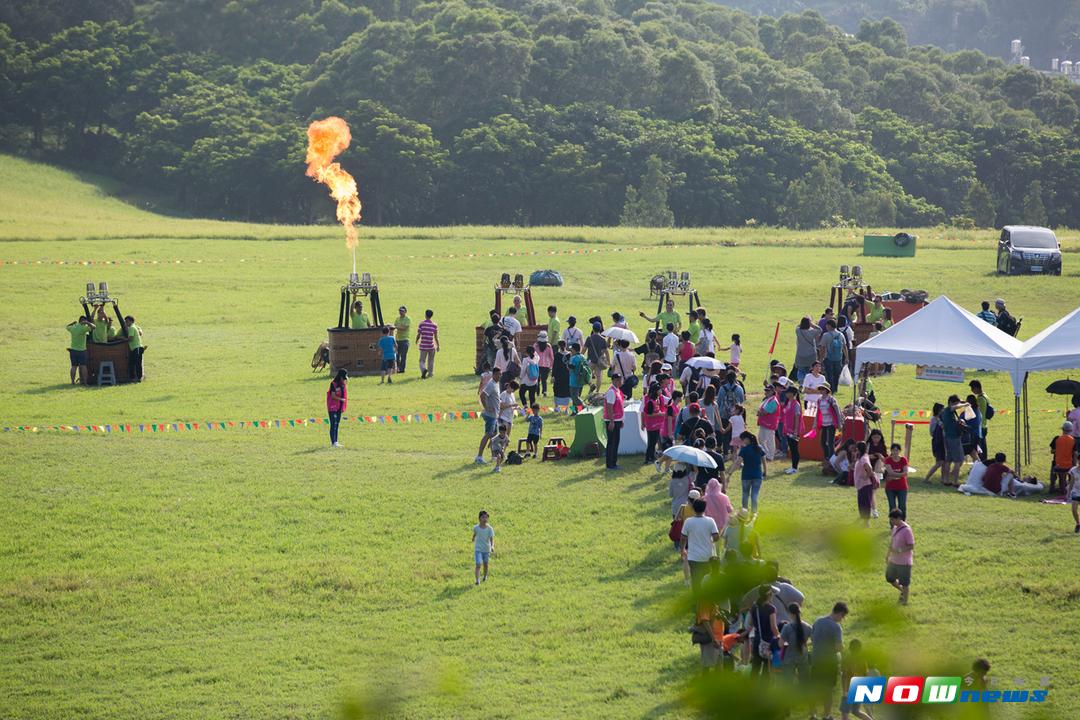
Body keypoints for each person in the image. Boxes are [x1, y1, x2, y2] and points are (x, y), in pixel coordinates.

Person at [811, 602, 849, 720]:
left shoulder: (817, 621)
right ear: (840, 613)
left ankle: (813, 715)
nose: (842, 620)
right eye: (843, 617)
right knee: (828, 690)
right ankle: (827, 715)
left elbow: (812, 639)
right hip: (829, 663)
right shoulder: (836, 627)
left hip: (816, 660)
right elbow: (838, 647)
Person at [681, 498, 720, 596]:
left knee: (696, 580)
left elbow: (683, 537)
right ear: (704, 509)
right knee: (707, 579)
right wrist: (711, 540)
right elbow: (716, 537)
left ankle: (698, 601)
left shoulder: (688, 522)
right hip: (708, 556)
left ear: (693, 508)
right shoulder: (710, 521)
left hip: (693, 557)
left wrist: (682, 549)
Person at [729, 431, 767, 515]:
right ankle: (754, 512)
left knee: (745, 494)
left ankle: (744, 512)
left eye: (742, 440)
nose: (742, 442)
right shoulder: (759, 448)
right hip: (757, 475)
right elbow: (764, 461)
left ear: (747, 439)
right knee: (754, 495)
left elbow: (737, 463)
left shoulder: (744, 449)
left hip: (746, 475)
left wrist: (730, 473)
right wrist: (765, 471)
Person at [749, 585, 781, 676]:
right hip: (768, 641)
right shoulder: (771, 608)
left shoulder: (754, 606)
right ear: (770, 594)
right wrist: (779, 637)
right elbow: (773, 627)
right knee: (767, 668)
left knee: (755, 666)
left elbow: (750, 623)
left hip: (757, 639)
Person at [839, 639, 873, 720]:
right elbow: (865, 674)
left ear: (850, 648)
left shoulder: (847, 659)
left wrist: (845, 691)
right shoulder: (863, 660)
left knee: (845, 713)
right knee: (856, 711)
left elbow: (844, 675)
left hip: (849, 688)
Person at [886, 509, 914, 605]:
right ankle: (902, 590)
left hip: (904, 562)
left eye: (893, 520)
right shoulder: (894, 528)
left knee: (905, 583)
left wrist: (900, 550)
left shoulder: (907, 530)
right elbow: (892, 543)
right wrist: (887, 555)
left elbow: (911, 546)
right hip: (893, 560)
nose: (891, 522)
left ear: (898, 518)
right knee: (889, 578)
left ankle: (905, 602)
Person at [780, 601, 812, 686]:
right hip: (803, 655)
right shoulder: (808, 627)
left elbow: (780, 644)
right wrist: (805, 643)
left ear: (790, 613)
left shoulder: (787, 627)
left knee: (788, 682)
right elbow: (814, 640)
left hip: (789, 657)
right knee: (804, 682)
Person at [475, 367, 502, 464]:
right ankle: (479, 456)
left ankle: (494, 456)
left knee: (494, 436)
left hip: (494, 415)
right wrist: (486, 407)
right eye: (498, 374)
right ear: (494, 374)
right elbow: (482, 395)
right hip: (490, 415)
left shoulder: (496, 384)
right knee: (488, 435)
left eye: (500, 374)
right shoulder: (491, 384)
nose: (500, 376)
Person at [940, 395, 968, 487]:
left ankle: (946, 480)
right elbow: (954, 406)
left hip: (948, 437)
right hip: (954, 438)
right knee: (958, 460)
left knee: (949, 460)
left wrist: (962, 402)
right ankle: (955, 482)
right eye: (956, 403)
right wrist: (964, 404)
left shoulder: (945, 411)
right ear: (951, 403)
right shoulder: (949, 410)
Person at [815, 384, 843, 474]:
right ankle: (827, 457)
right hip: (823, 423)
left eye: (823, 389)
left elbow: (837, 411)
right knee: (823, 442)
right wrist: (815, 423)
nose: (822, 391)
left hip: (831, 423)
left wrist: (839, 423)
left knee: (830, 442)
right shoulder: (819, 400)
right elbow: (818, 412)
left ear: (827, 390)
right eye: (820, 389)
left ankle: (832, 459)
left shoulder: (831, 399)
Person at [818, 319, 848, 392]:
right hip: (838, 358)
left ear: (829, 326)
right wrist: (847, 357)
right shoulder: (841, 334)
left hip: (829, 358)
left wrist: (821, 358)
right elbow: (844, 347)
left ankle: (831, 389)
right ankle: (836, 388)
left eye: (827, 325)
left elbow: (822, 347)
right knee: (837, 374)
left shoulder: (826, 335)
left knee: (829, 374)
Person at [642, 383, 668, 465]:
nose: (661, 391)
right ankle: (647, 459)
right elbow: (648, 414)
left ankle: (652, 457)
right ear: (655, 391)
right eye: (659, 389)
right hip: (651, 426)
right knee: (651, 443)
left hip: (657, 425)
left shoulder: (658, 399)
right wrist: (659, 414)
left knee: (654, 443)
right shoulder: (650, 402)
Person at [1050, 421, 1078, 495]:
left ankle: (1056, 488)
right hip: (1069, 465)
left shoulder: (1057, 439)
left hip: (1058, 465)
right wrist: (1074, 466)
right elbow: (1074, 454)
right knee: (1070, 474)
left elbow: (1052, 451)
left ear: (1062, 429)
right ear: (1071, 430)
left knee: (1060, 475)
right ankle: (1069, 490)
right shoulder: (1073, 440)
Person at [604, 372, 625, 470]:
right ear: (613, 380)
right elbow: (609, 407)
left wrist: (621, 420)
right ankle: (610, 464)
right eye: (617, 380)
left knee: (616, 442)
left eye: (620, 380)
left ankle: (614, 462)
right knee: (612, 442)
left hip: (617, 419)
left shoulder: (618, 390)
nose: (620, 382)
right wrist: (612, 421)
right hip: (612, 420)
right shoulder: (611, 391)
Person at [882, 443, 909, 518]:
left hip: (902, 487)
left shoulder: (903, 459)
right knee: (892, 507)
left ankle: (902, 525)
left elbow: (905, 472)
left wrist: (894, 475)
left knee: (902, 507)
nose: (895, 452)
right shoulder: (888, 460)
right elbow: (890, 472)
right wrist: (901, 474)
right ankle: (893, 525)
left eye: (897, 450)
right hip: (890, 488)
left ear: (899, 451)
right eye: (893, 450)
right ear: (891, 451)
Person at [66, 315, 94, 385]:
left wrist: (72, 323)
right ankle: (85, 382)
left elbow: (67, 327)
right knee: (83, 367)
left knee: (73, 367)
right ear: (83, 321)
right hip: (82, 351)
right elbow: (94, 327)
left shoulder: (73, 328)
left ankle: (72, 382)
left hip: (73, 350)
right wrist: (88, 323)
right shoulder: (83, 328)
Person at [411, 308, 439, 379]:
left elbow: (419, 334)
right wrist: (438, 345)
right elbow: (435, 337)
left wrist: (416, 340)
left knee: (421, 360)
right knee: (431, 360)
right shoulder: (434, 325)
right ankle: (430, 373)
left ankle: (423, 369)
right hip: (431, 346)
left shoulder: (422, 324)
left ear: (425, 315)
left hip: (423, 346)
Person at [853, 441, 876, 528]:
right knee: (862, 503)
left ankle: (866, 523)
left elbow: (869, 469)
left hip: (865, 485)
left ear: (858, 449)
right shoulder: (862, 457)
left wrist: (866, 477)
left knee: (865, 503)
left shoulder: (863, 458)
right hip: (861, 485)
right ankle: (864, 520)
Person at [780, 387, 802, 474]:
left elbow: (797, 418)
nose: (785, 394)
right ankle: (793, 466)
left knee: (794, 449)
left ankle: (795, 468)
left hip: (793, 430)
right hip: (788, 429)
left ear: (792, 393)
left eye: (787, 392)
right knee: (791, 448)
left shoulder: (796, 404)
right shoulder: (789, 402)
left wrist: (796, 431)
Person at [756, 385, 780, 461]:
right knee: (761, 439)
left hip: (769, 424)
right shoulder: (768, 399)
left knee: (770, 440)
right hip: (764, 423)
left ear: (772, 391)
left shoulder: (773, 401)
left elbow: (765, 412)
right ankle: (765, 454)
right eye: (765, 390)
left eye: (768, 390)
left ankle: (770, 456)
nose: (766, 392)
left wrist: (760, 413)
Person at [969, 379, 991, 461]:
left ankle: (981, 465)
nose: (972, 390)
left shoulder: (980, 399)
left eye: (972, 388)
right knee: (982, 447)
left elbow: (978, 414)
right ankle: (983, 464)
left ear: (977, 388)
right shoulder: (985, 396)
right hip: (984, 425)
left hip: (980, 427)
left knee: (979, 449)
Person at [794, 318, 822, 382]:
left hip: (800, 354)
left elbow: (797, 326)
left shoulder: (798, 331)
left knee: (800, 370)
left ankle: (801, 382)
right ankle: (808, 383)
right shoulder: (812, 332)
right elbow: (820, 330)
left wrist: (802, 323)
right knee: (809, 370)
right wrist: (812, 324)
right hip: (811, 355)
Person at [584, 322, 609, 393]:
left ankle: (591, 385)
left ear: (593, 329)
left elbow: (584, 349)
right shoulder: (603, 339)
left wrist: (581, 355)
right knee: (599, 377)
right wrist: (608, 361)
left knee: (586, 375)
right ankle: (597, 391)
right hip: (599, 361)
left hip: (591, 360)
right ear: (600, 329)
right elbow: (606, 351)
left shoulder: (589, 338)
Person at [326, 369, 347, 447]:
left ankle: (336, 441)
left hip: (339, 407)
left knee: (337, 424)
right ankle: (333, 442)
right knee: (333, 424)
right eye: (343, 378)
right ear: (340, 377)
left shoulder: (342, 385)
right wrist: (341, 399)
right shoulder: (333, 384)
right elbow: (333, 396)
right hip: (332, 407)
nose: (344, 380)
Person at [472, 510, 494, 584]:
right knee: (478, 564)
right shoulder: (476, 528)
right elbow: (475, 533)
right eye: (483, 517)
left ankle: (485, 576)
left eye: (486, 517)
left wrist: (492, 546)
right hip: (478, 549)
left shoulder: (489, 529)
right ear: (479, 518)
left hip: (486, 549)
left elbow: (491, 538)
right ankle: (477, 580)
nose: (485, 519)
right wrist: (473, 538)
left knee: (485, 564)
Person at [122, 315, 145, 382]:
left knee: (135, 363)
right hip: (137, 348)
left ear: (131, 321)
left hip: (136, 348)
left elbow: (130, 338)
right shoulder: (134, 327)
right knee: (134, 363)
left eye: (127, 321)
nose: (126, 323)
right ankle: (136, 378)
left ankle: (137, 378)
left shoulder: (131, 328)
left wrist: (123, 339)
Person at [551, 341, 571, 410]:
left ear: (559, 346)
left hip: (558, 376)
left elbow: (554, 367)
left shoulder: (557, 355)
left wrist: (553, 376)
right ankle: (566, 409)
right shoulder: (570, 354)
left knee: (557, 391)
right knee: (567, 392)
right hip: (567, 376)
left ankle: (557, 407)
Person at [534, 331, 554, 396]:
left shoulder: (536, 345)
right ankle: (544, 392)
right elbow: (551, 357)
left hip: (536, 364)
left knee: (537, 379)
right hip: (546, 365)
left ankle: (537, 392)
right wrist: (551, 366)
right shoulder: (548, 346)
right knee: (544, 380)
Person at [568, 343, 587, 408]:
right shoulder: (583, 357)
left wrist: (567, 364)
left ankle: (585, 408)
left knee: (574, 397)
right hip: (582, 379)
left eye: (571, 349)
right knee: (576, 397)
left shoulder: (573, 358)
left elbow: (570, 368)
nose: (571, 351)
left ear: (574, 349)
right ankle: (574, 412)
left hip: (574, 380)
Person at [393, 306, 411, 373]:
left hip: (405, 340)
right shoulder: (397, 319)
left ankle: (402, 369)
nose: (401, 312)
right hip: (398, 339)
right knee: (397, 355)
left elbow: (404, 328)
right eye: (400, 311)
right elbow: (394, 327)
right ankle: (398, 368)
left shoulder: (407, 319)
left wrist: (396, 327)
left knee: (403, 355)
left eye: (402, 311)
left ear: (405, 311)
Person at [1068, 459, 1080, 533]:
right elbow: (1071, 481)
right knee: (1074, 510)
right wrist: (1069, 492)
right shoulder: (1073, 470)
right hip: (1075, 492)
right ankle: (1078, 524)